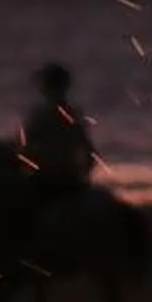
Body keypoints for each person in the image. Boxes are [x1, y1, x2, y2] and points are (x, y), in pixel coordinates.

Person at [18, 60, 96, 202]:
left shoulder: (39, 117)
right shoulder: (73, 115)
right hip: (71, 179)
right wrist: (83, 176)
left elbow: (25, 150)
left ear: (45, 87)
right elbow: (90, 153)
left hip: (45, 181)